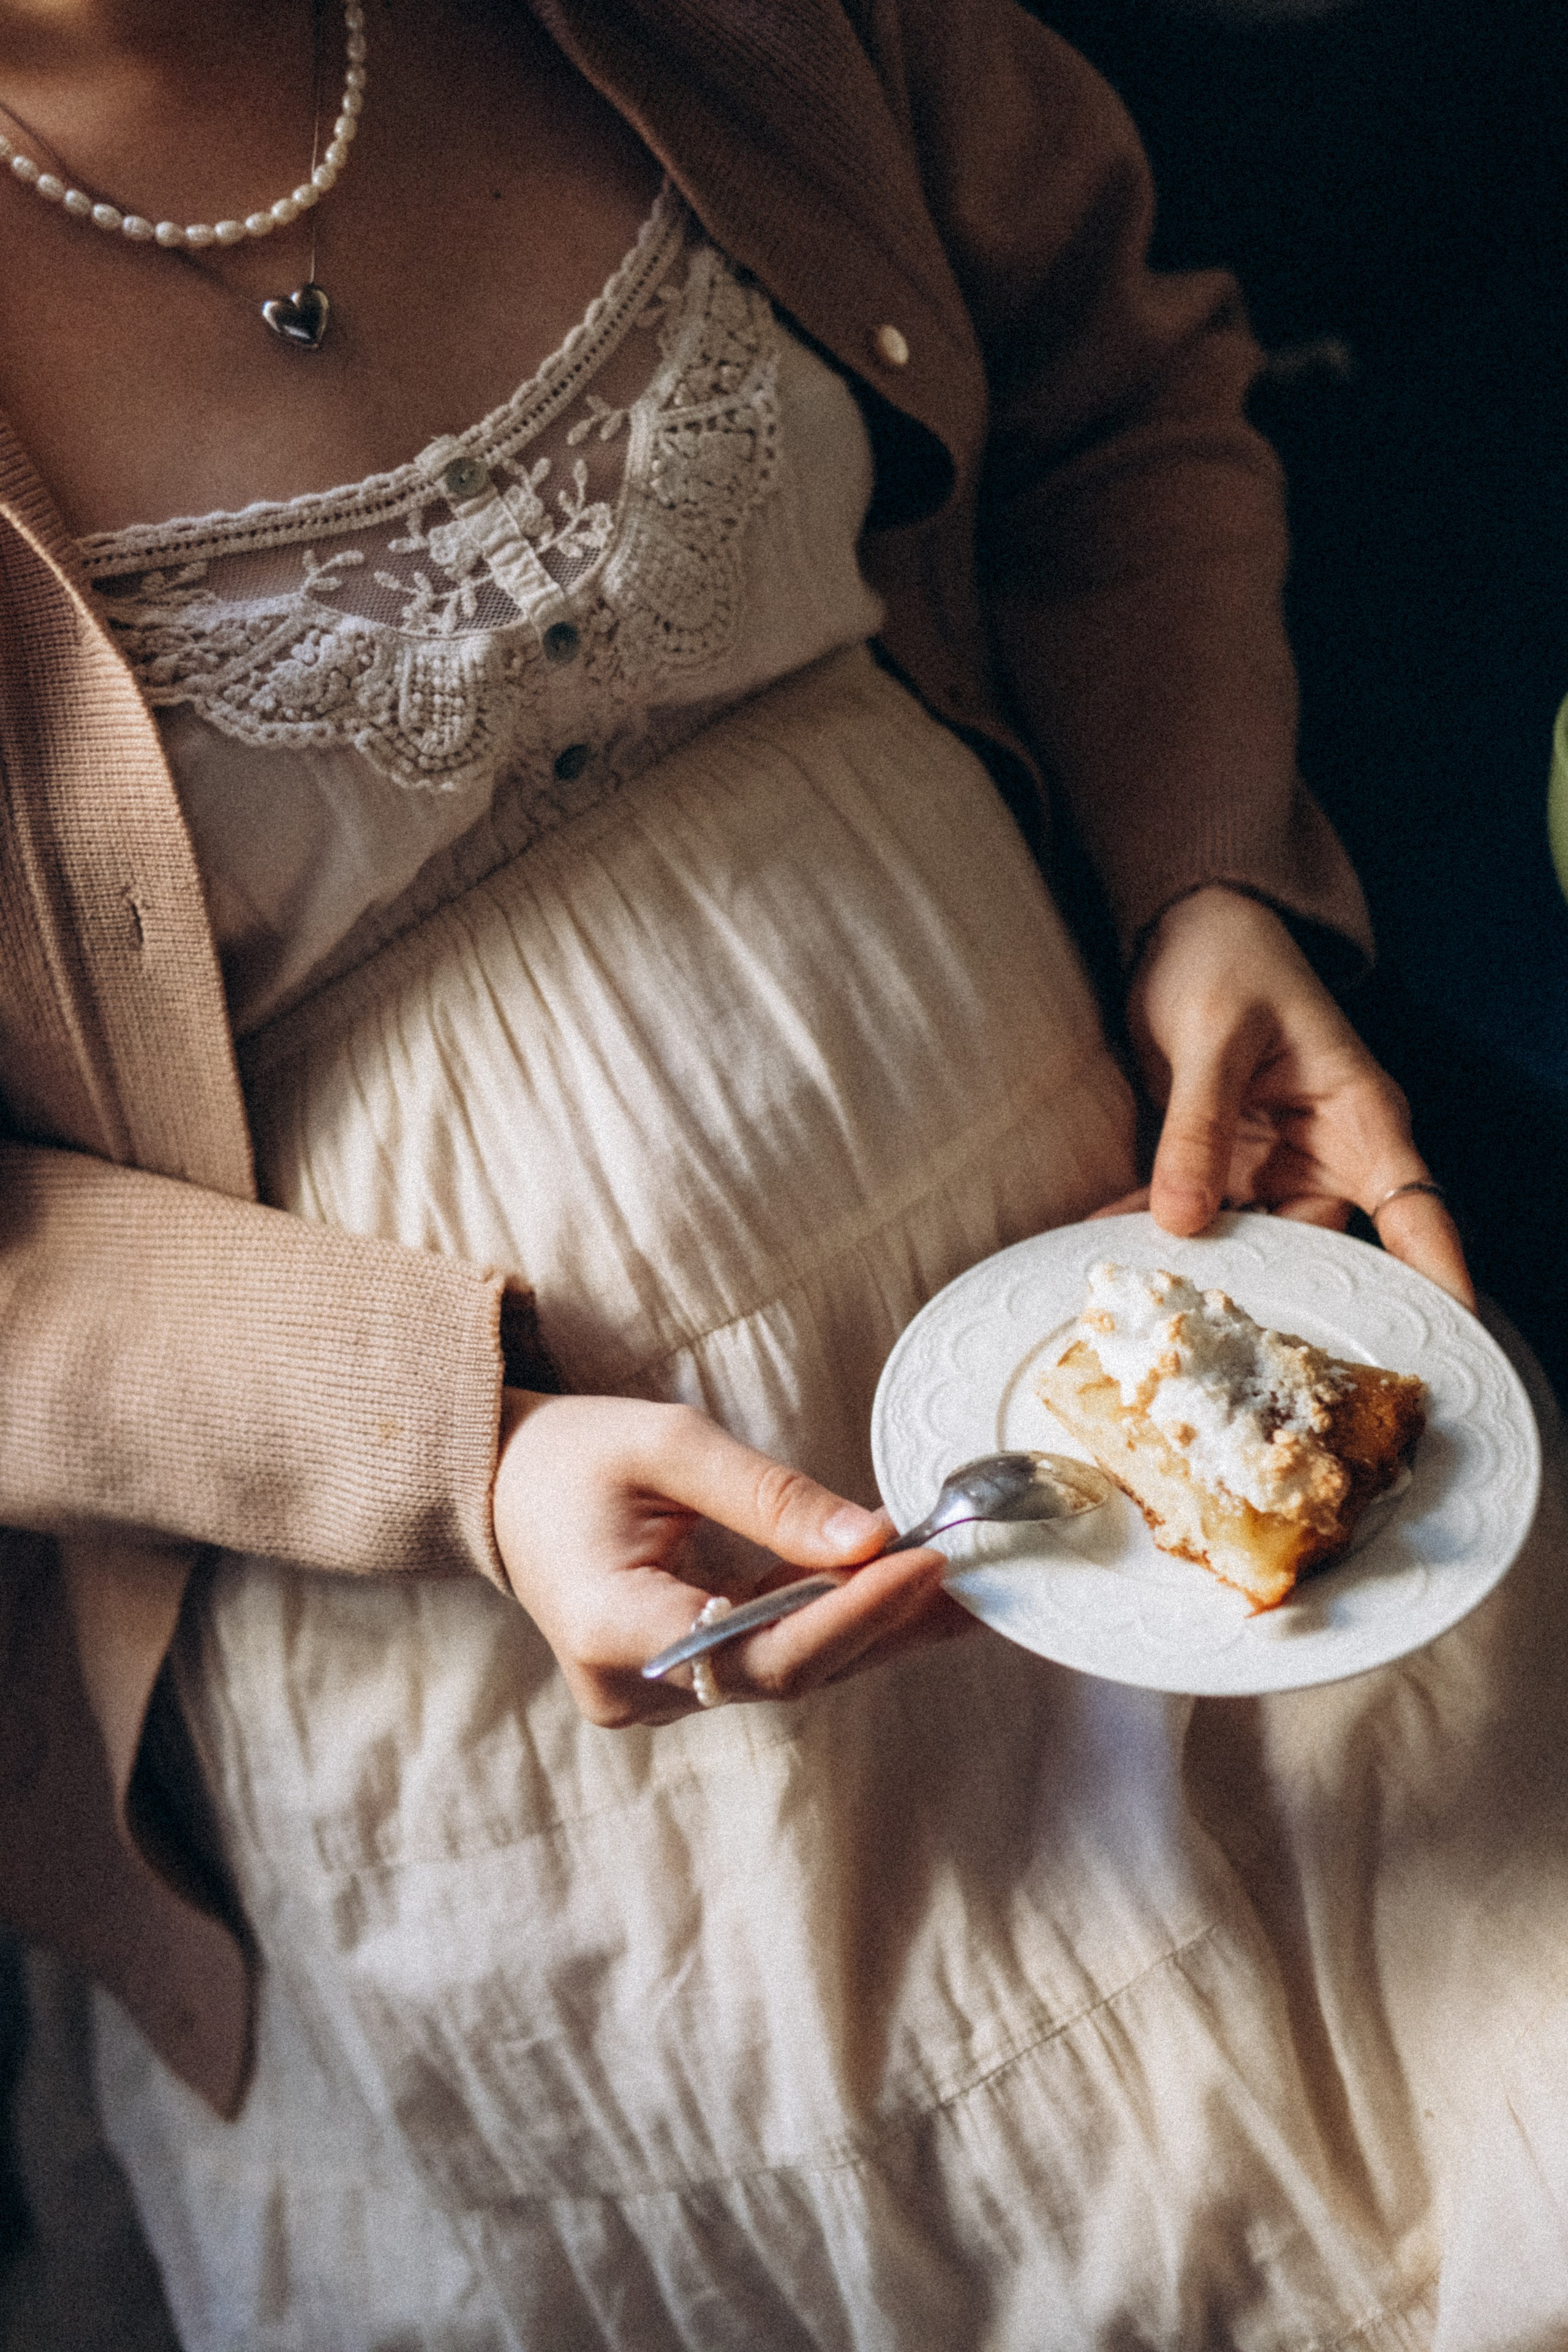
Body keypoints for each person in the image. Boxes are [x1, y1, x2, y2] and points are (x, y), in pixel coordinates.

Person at [2, 1, 1559, 2345]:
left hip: (1166, 1344)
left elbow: (1109, 409)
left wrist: (1208, 877)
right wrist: (458, 1449)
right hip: (517, 1690)